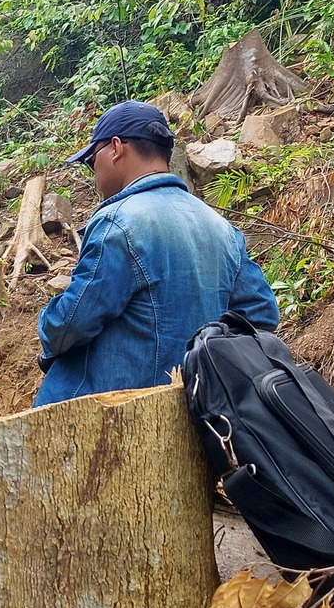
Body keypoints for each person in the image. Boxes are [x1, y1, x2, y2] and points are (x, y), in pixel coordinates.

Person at [35, 101, 281, 408]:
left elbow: (72, 322)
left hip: (106, 414)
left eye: (91, 160)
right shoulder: (220, 226)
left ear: (115, 148)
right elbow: (261, 314)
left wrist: (45, 328)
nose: (93, 171)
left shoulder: (118, 222)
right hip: (198, 412)